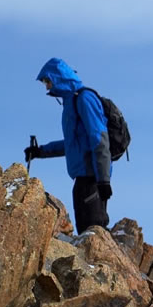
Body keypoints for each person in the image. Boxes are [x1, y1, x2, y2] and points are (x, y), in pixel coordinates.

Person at [24, 58, 112, 231]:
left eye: (48, 81)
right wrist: (40, 151)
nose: (47, 87)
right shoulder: (70, 103)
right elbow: (73, 144)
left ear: (58, 77)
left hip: (92, 179)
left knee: (93, 232)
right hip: (81, 179)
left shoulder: (84, 98)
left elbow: (99, 138)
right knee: (86, 234)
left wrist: (103, 179)